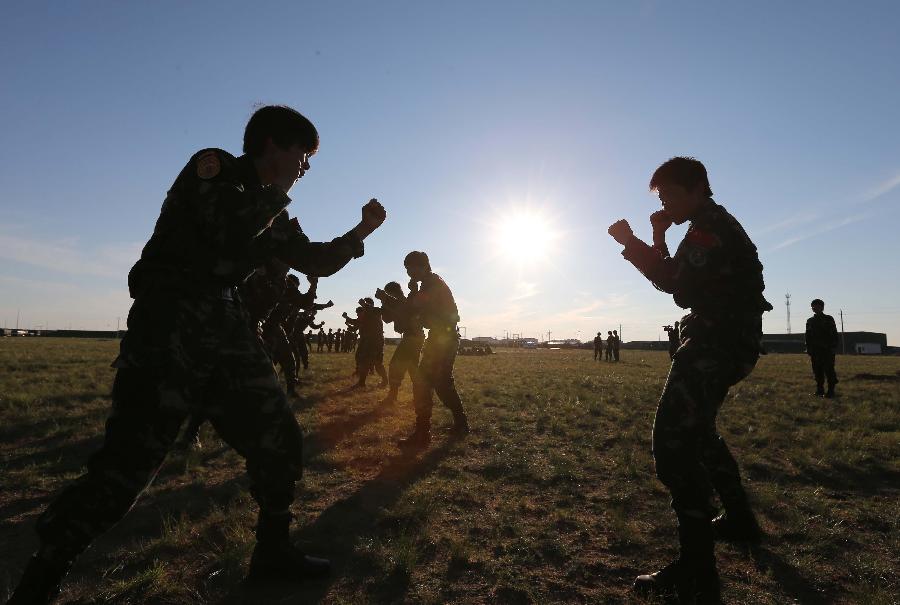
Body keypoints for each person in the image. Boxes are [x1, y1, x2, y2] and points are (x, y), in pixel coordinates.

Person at [8, 105, 386, 605]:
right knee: (127, 469)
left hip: (227, 332)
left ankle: (272, 551)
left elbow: (314, 259)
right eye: (303, 155)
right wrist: (276, 192)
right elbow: (226, 231)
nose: (306, 168)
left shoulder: (269, 206)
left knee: (280, 440)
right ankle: (39, 581)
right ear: (273, 144)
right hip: (171, 327)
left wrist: (361, 233)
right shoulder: (215, 170)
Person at [608, 156, 770, 602]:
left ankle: (697, 570)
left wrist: (633, 242)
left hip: (714, 347)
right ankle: (738, 519)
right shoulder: (705, 224)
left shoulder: (707, 229)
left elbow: (675, 286)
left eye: (670, 197)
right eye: (661, 199)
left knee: (673, 445)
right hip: (726, 344)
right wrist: (659, 236)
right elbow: (677, 285)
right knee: (700, 434)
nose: (665, 204)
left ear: (698, 188)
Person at [398, 251, 468, 449]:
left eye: (411, 268)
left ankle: (426, 433)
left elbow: (416, 307)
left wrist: (412, 293)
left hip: (443, 339)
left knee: (434, 383)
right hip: (439, 338)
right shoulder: (429, 283)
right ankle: (429, 431)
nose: (409, 272)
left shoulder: (432, 283)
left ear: (423, 266)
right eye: (407, 269)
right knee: (433, 383)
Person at [376, 281, 425, 405]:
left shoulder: (403, 301)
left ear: (393, 292)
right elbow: (387, 319)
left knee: (395, 365)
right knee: (412, 368)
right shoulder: (396, 302)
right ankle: (420, 398)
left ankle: (392, 397)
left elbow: (402, 309)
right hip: (413, 337)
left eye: (388, 293)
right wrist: (384, 301)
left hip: (412, 337)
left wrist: (385, 299)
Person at [805, 299, 839, 397]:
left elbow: (834, 334)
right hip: (815, 351)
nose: (815, 308)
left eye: (817, 306)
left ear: (822, 307)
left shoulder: (828, 319)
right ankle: (820, 390)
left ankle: (831, 391)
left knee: (829, 370)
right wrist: (808, 348)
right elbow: (807, 336)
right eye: (813, 306)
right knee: (817, 371)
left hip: (827, 350)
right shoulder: (810, 321)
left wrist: (833, 347)